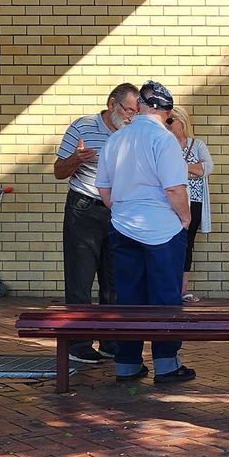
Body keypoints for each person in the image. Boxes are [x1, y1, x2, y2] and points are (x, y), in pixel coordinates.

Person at [95, 80, 194, 385]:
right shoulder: (163, 141)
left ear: (139, 107)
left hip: (123, 227)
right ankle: (166, 364)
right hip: (162, 229)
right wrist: (185, 218)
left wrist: (121, 212)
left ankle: (127, 363)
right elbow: (175, 188)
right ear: (166, 111)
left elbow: (103, 188)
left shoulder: (116, 139)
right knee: (164, 297)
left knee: (129, 297)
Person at [55, 83, 138, 364]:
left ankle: (110, 340)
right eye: (128, 109)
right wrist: (75, 159)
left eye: (136, 111)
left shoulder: (132, 133)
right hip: (84, 208)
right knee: (80, 277)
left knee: (114, 279)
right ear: (112, 104)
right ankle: (78, 343)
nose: (131, 116)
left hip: (119, 211)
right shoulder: (83, 127)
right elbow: (58, 171)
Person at [167, 106, 214, 302]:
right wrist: (192, 170)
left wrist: (181, 168)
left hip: (193, 200)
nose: (167, 124)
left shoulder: (197, 145)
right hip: (171, 201)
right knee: (169, 242)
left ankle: (182, 290)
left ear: (182, 122)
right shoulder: (164, 144)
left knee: (187, 244)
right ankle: (169, 287)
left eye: (171, 121)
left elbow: (207, 167)